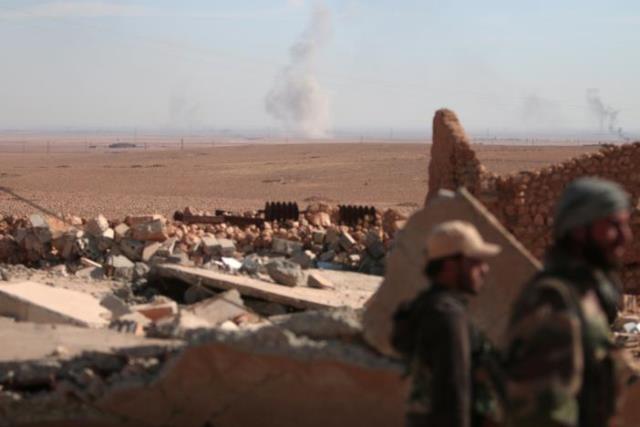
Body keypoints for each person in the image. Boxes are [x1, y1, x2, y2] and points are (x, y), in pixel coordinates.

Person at [505, 177, 636, 427]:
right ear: (579, 230)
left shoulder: (584, 295)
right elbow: (542, 415)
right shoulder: (553, 302)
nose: (625, 237)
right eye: (614, 226)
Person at [392, 220, 505, 427]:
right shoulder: (448, 316)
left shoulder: (425, 307)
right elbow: (453, 393)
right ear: (450, 265)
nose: (484, 269)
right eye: (475, 261)